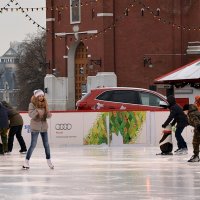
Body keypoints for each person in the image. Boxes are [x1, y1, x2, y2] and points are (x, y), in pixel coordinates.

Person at [22, 89, 54, 169]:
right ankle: (26, 161)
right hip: (35, 127)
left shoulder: (45, 104)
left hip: (44, 127)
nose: (41, 97)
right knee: (33, 144)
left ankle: (49, 161)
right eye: (39, 96)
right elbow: (31, 115)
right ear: (36, 97)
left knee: (46, 145)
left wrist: (48, 114)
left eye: (42, 96)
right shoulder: (32, 104)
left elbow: (48, 116)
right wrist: (37, 111)